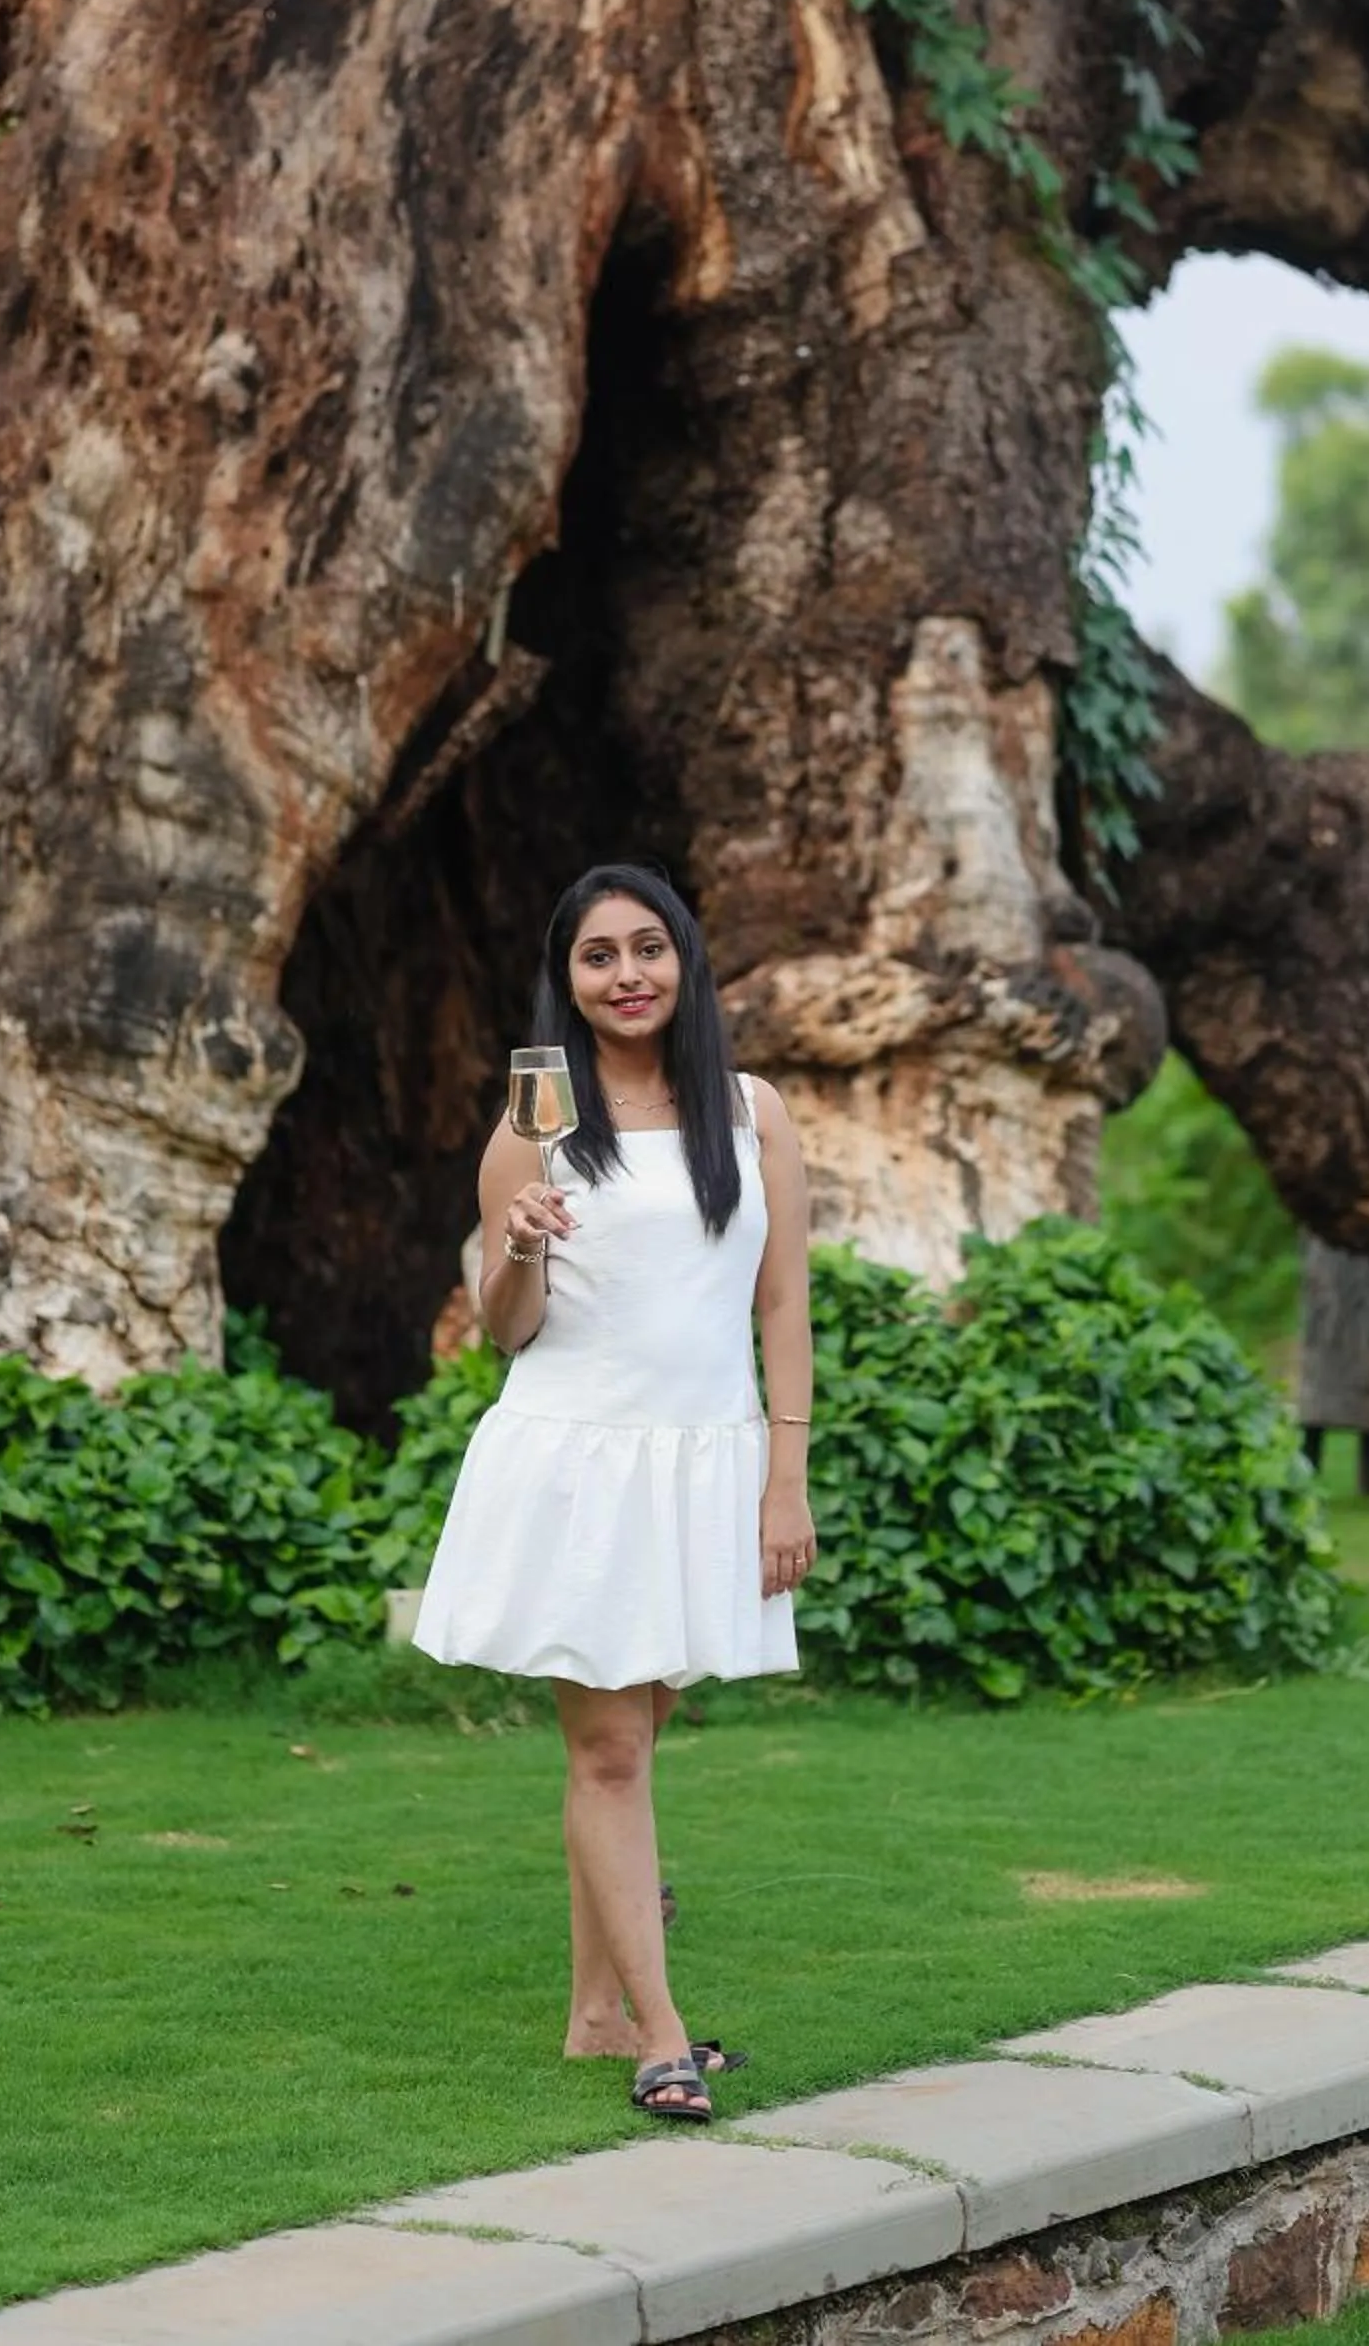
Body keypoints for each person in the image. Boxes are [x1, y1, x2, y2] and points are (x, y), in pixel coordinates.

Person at [412, 863, 817, 2125]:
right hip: (577, 1465)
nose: (627, 973)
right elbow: (506, 1330)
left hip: (703, 1460)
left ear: (684, 962)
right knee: (608, 1751)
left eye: (648, 948)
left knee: (639, 1734)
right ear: (568, 979)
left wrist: (782, 1478)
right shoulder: (535, 1118)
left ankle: (595, 2014)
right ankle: (660, 2035)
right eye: (598, 956)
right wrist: (521, 1241)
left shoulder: (749, 1113)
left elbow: (781, 1301)